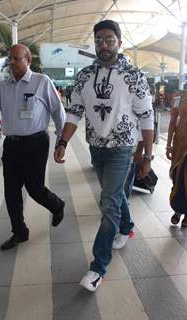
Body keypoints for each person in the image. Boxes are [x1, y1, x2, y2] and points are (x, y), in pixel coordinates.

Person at [54, 20, 154, 291]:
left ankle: (97, 268)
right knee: (116, 195)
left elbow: (146, 117)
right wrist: (63, 140)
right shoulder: (85, 75)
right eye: (99, 40)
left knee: (108, 202)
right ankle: (128, 225)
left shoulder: (134, 75)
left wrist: (147, 156)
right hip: (96, 149)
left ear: (119, 43)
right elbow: (74, 111)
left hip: (123, 149)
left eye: (109, 39)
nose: (104, 45)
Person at [0, 44, 66, 250]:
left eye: (17, 59)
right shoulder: (3, 87)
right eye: (11, 59)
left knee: (35, 189)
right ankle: (19, 232)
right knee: (11, 192)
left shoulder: (42, 82)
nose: (12, 62)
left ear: (28, 60)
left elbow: (58, 112)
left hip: (35, 144)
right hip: (12, 146)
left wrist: (62, 141)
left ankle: (57, 205)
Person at [166, 90, 187, 228]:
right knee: (177, 177)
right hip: (180, 143)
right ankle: (178, 208)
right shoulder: (179, 95)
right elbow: (173, 121)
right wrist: (168, 144)